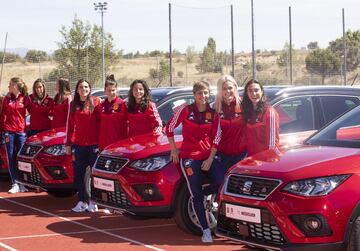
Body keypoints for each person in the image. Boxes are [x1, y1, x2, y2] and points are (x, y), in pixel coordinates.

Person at [166, 80, 220, 243]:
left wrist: (210, 159)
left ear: (209, 94)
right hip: (189, 158)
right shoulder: (185, 110)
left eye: (205, 93)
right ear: (194, 94)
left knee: (222, 181)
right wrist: (174, 149)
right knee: (195, 194)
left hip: (207, 156)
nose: (202, 96)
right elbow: (169, 128)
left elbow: (217, 138)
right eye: (199, 93)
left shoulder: (213, 113)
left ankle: (203, 195)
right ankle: (206, 231)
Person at [65, 79, 101, 213]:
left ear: (90, 88)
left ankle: (94, 202)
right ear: (77, 89)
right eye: (81, 87)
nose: (84, 89)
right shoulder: (72, 104)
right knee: (79, 175)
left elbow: (103, 122)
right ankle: (82, 201)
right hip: (79, 146)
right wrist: (68, 143)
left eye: (86, 87)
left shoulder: (96, 101)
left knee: (95, 176)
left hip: (94, 146)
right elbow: (69, 126)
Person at [205, 75, 247, 174]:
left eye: (230, 88)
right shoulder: (213, 108)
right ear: (219, 90)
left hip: (242, 155)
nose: (228, 91)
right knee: (221, 185)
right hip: (221, 156)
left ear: (235, 88)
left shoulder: (244, 105)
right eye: (224, 88)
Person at [0, 77, 29, 193]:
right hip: (9, 132)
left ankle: (23, 184)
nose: (8, 87)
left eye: (10, 85)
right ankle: (15, 183)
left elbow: (34, 112)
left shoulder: (25, 98)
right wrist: (3, 130)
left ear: (16, 86)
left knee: (21, 158)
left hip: (21, 132)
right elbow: (3, 115)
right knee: (11, 157)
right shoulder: (7, 99)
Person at [242, 79, 279, 156]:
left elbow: (272, 145)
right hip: (251, 159)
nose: (254, 93)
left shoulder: (269, 112)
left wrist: (267, 162)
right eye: (250, 91)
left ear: (262, 92)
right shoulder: (248, 112)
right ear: (247, 93)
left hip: (265, 160)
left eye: (256, 90)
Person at [98, 74, 127, 151]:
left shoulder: (122, 104)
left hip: (117, 145)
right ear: (105, 91)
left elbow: (126, 124)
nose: (111, 93)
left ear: (116, 90)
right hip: (103, 145)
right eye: (109, 90)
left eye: (113, 90)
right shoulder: (101, 105)